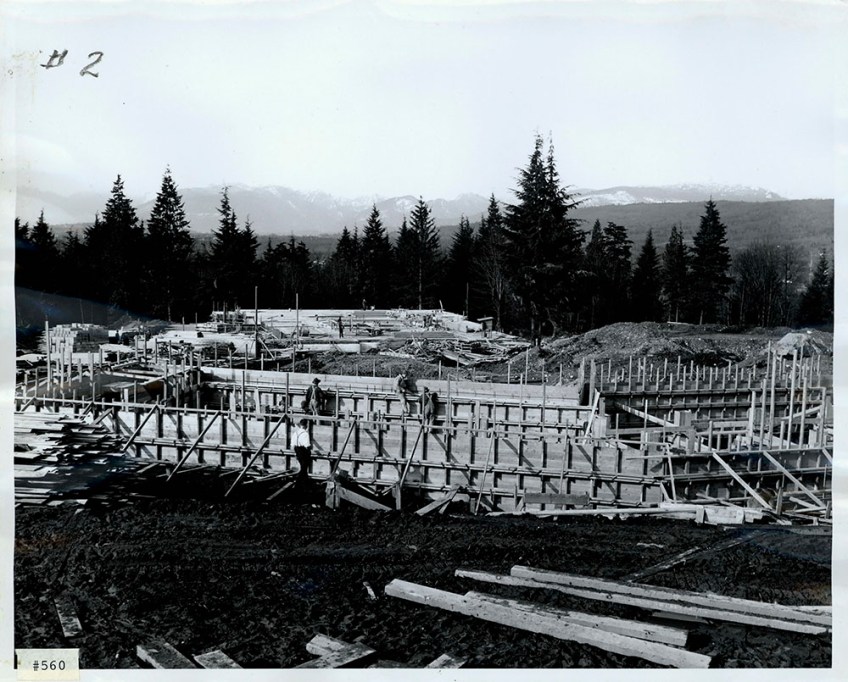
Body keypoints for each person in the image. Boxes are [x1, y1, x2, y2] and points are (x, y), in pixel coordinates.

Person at [293, 418, 312, 489]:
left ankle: (304, 483)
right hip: (303, 451)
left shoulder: (296, 433)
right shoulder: (305, 434)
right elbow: (307, 445)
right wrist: (309, 451)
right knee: (304, 468)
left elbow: (293, 444)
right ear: (306, 425)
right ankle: (298, 484)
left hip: (297, 450)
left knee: (303, 467)